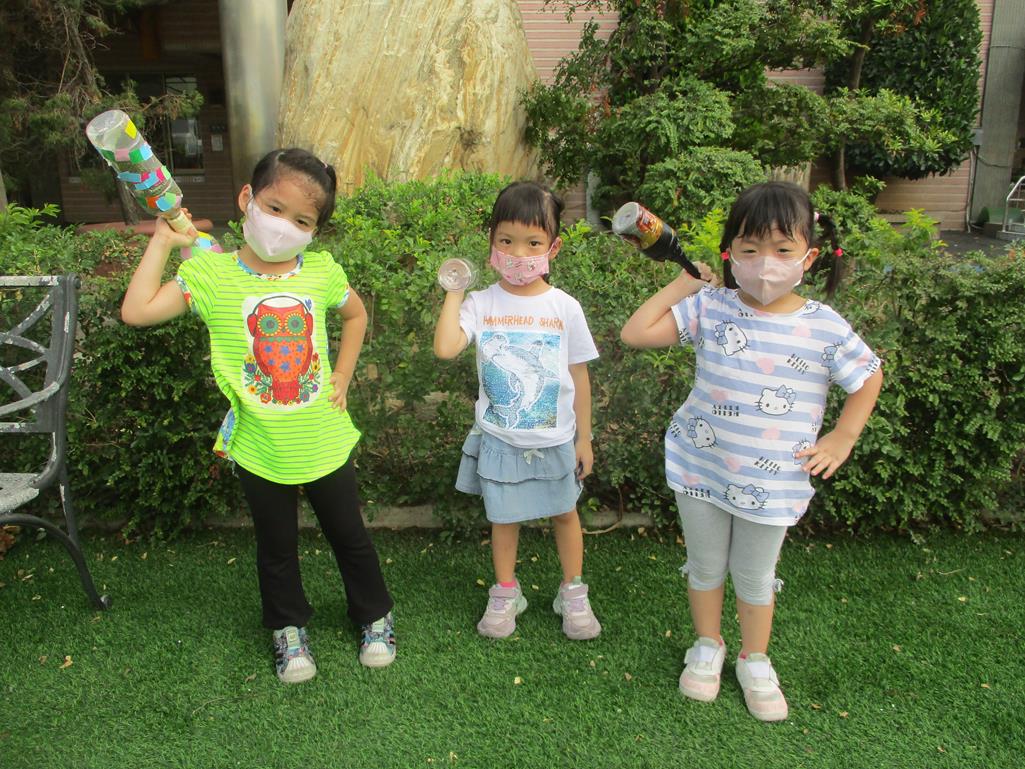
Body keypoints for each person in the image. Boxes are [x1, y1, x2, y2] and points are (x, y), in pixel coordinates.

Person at [121, 148, 395, 683]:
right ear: (247, 198)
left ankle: (375, 615)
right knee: (276, 547)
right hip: (258, 445)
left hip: (323, 437)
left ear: (315, 231)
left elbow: (356, 315)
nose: (284, 226)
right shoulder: (210, 275)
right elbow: (136, 311)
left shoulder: (320, 271)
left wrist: (343, 375)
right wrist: (162, 241)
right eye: (274, 208)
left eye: (302, 221)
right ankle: (288, 629)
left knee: (350, 536)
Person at [620, 181, 883, 721]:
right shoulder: (710, 307)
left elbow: (869, 375)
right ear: (729, 254)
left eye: (783, 250)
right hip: (701, 467)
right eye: (750, 248)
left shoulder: (823, 326)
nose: (766, 264)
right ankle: (707, 645)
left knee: (755, 575)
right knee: (705, 566)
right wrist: (683, 285)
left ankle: (754, 659)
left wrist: (844, 436)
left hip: (775, 480)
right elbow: (635, 333)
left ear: (808, 257)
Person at [433, 181, 602, 641]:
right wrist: (455, 289)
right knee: (503, 519)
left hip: (556, 439)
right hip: (501, 439)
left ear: (553, 248)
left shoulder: (565, 307)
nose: (518, 253)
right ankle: (506, 591)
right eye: (505, 241)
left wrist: (584, 438)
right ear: (491, 242)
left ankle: (573, 590)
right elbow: (446, 347)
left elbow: (580, 377)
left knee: (565, 513)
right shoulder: (482, 303)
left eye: (532, 243)